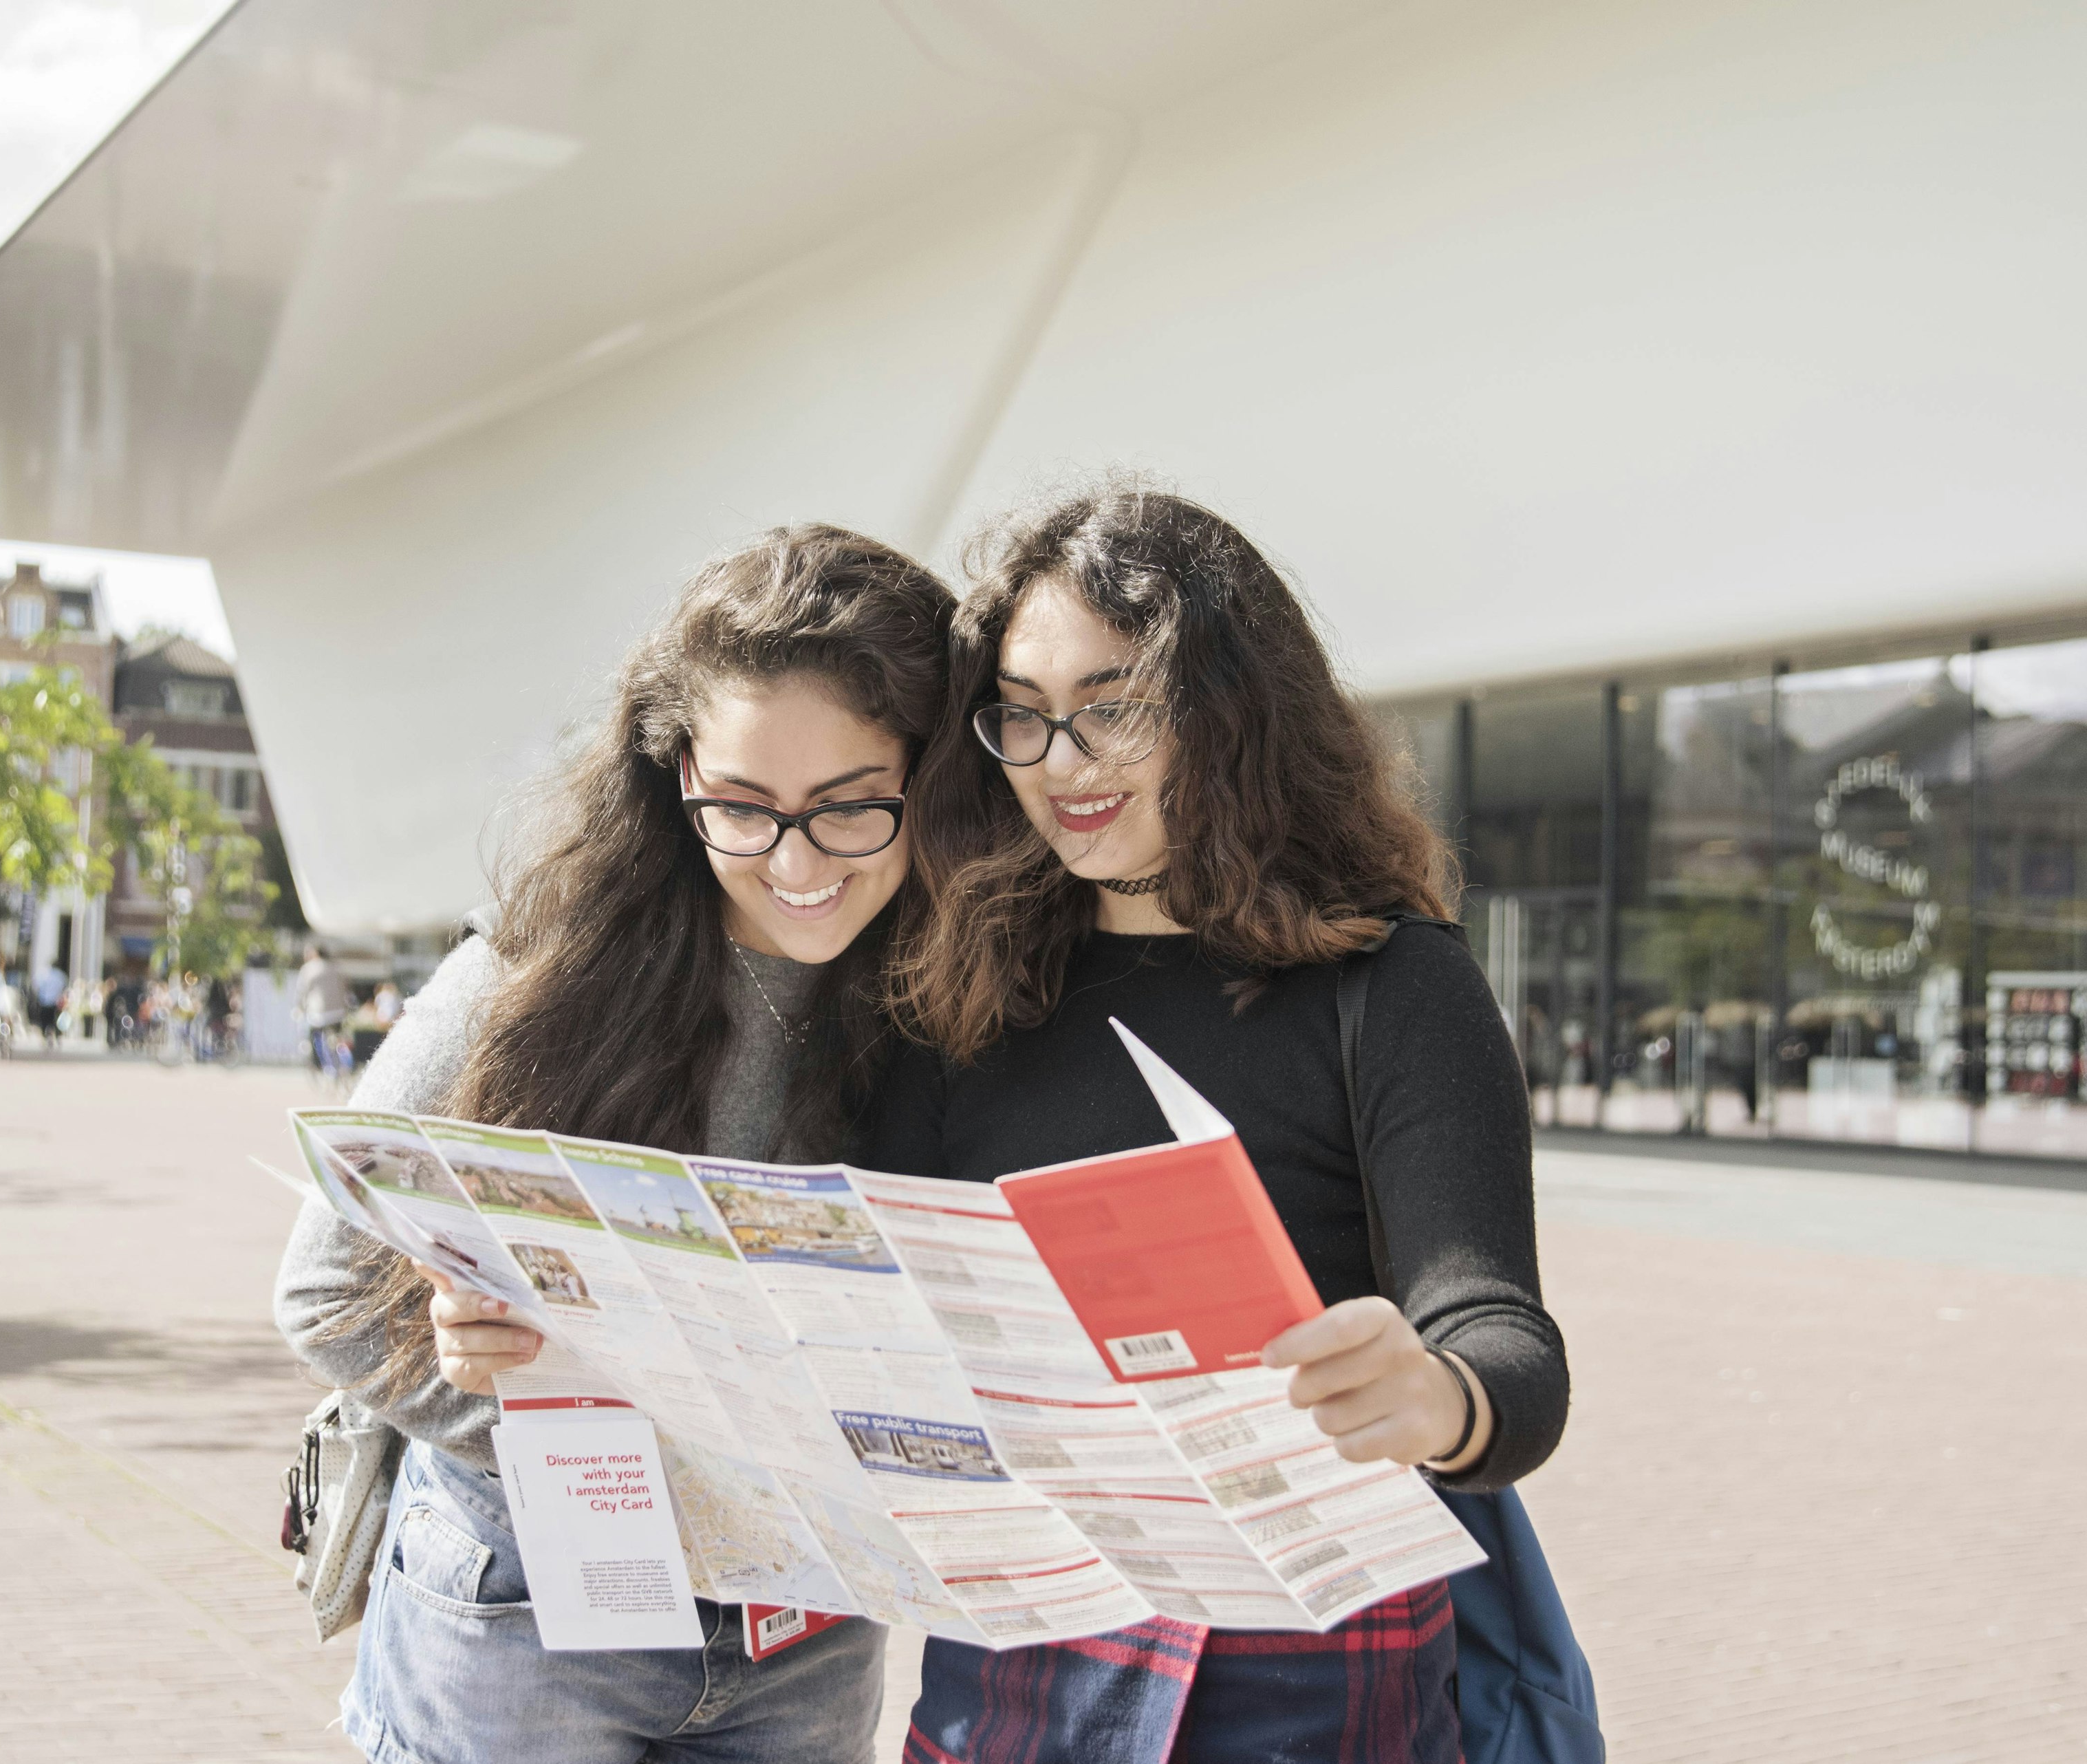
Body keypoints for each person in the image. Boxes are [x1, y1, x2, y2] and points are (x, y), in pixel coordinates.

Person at [866, 484, 1570, 1764]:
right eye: (1023, 716)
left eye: (1112, 705)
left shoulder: (1391, 982)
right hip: (1018, 1669)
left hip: (1311, 1670)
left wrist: (1436, 1393)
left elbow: (1502, 1335)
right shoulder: (960, 987)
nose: (1061, 763)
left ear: (1228, 708)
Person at [273, 525, 956, 1764]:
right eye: (741, 807)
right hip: (525, 1606)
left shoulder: (959, 1003)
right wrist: (545, 1414)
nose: (794, 861)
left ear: (929, 778)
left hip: (809, 1626)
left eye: (852, 807)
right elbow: (328, 1287)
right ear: (676, 770)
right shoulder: (536, 970)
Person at [294, 943, 349, 1077]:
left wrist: (300, 1008)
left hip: (319, 1012)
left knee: (317, 1038)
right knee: (337, 1037)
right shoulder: (336, 968)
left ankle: (326, 1067)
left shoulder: (309, 969)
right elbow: (344, 989)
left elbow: (302, 992)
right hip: (339, 1011)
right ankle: (345, 1062)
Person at [33, 960, 68, 1048]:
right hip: (55, 1002)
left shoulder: (45, 975)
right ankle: (56, 1037)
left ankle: (45, 1038)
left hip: (44, 1001)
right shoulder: (60, 976)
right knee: (54, 1021)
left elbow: (37, 986)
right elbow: (64, 987)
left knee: (44, 1021)